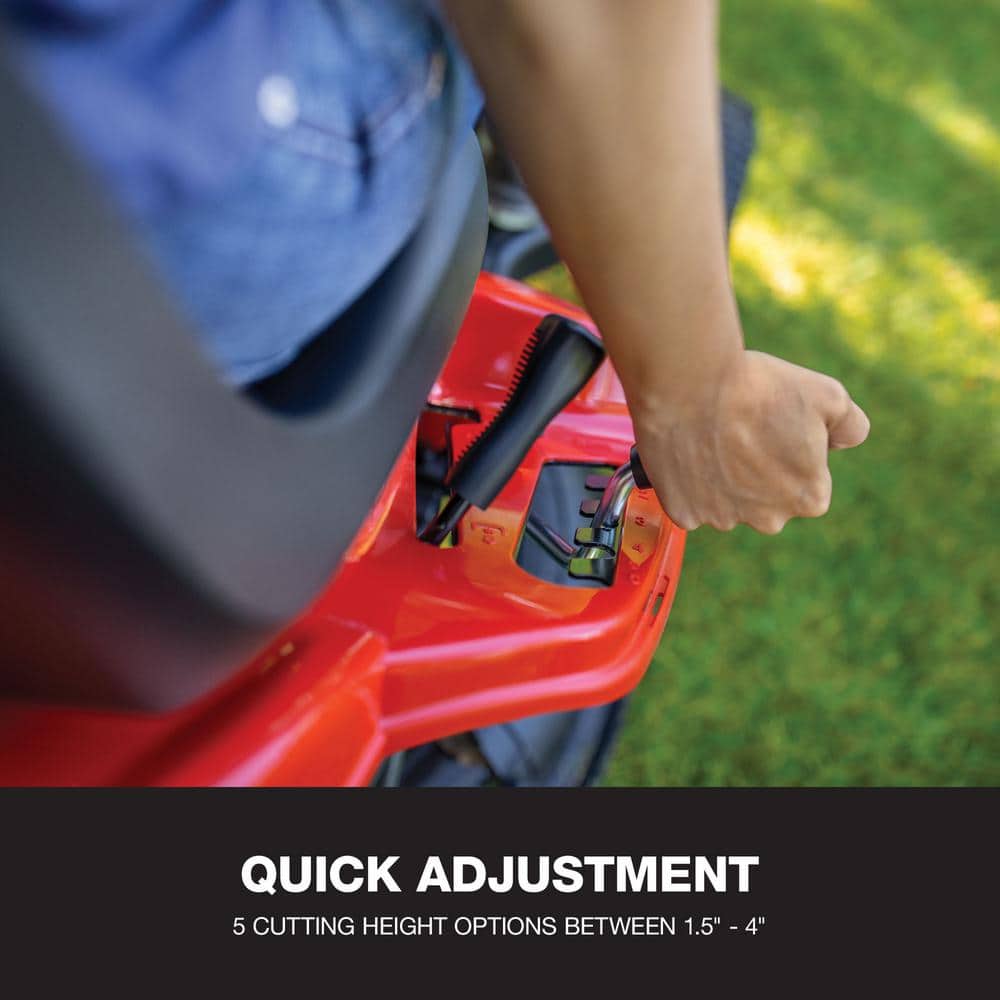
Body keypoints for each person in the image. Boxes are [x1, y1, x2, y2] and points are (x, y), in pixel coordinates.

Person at [2, 0, 868, 535]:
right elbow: (590, 16)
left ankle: (523, 167)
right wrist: (699, 392)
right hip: (156, 147)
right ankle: (516, 161)